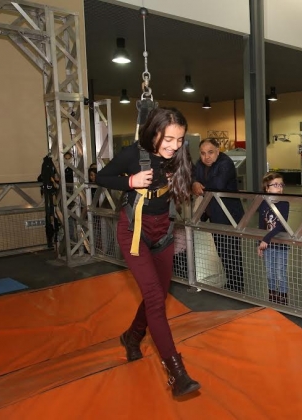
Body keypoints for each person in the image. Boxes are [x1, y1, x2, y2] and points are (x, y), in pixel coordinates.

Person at [96, 107, 201, 397]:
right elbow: (102, 177)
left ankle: (132, 337)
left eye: (179, 139)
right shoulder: (133, 154)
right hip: (134, 232)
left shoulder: (177, 156)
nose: (174, 146)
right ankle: (177, 373)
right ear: (154, 133)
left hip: (163, 232)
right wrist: (129, 182)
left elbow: (187, 178)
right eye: (168, 139)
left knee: (157, 295)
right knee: (154, 297)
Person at [192, 138, 245, 293]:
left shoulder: (225, 163)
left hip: (228, 215)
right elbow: (194, 176)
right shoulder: (200, 164)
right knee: (221, 250)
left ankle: (237, 286)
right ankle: (231, 281)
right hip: (214, 214)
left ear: (218, 150)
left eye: (210, 152)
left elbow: (218, 185)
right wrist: (194, 182)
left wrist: (199, 186)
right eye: (203, 153)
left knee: (231, 251)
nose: (206, 157)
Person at [257, 172, 290, 305]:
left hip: (281, 244)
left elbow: (281, 225)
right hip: (268, 245)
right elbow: (261, 225)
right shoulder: (263, 204)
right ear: (267, 188)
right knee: (270, 272)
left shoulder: (284, 203)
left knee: (280, 272)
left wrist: (266, 239)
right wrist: (259, 243)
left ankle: (283, 296)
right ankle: (272, 294)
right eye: (275, 185)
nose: (279, 188)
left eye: (281, 185)